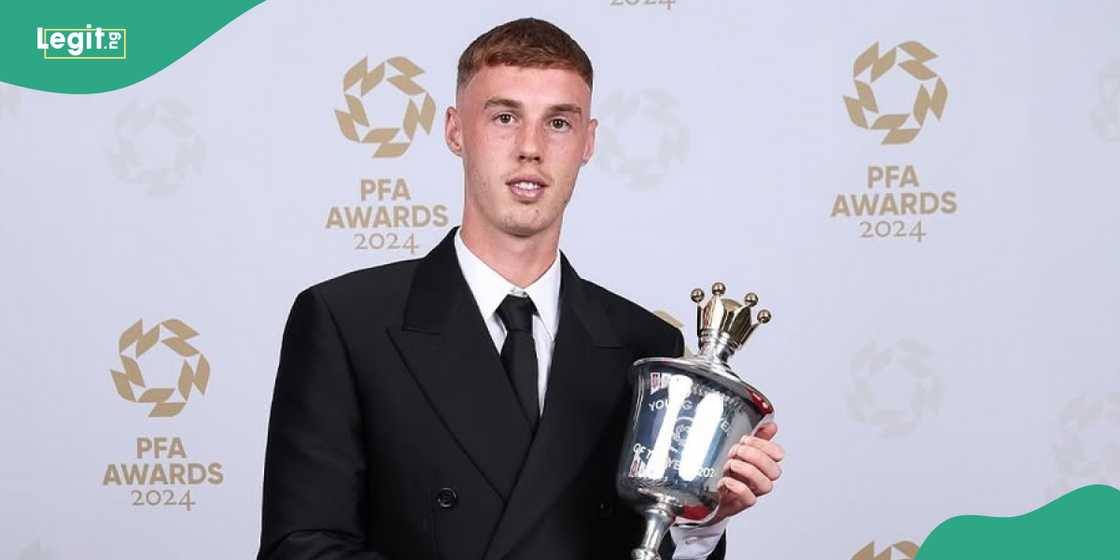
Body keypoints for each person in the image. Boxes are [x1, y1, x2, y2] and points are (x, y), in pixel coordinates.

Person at [257, 17, 783, 560]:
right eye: (505, 117)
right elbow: (300, 548)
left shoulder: (646, 348)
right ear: (456, 130)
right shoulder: (346, 322)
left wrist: (700, 526)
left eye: (559, 123)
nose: (530, 147)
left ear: (588, 142)